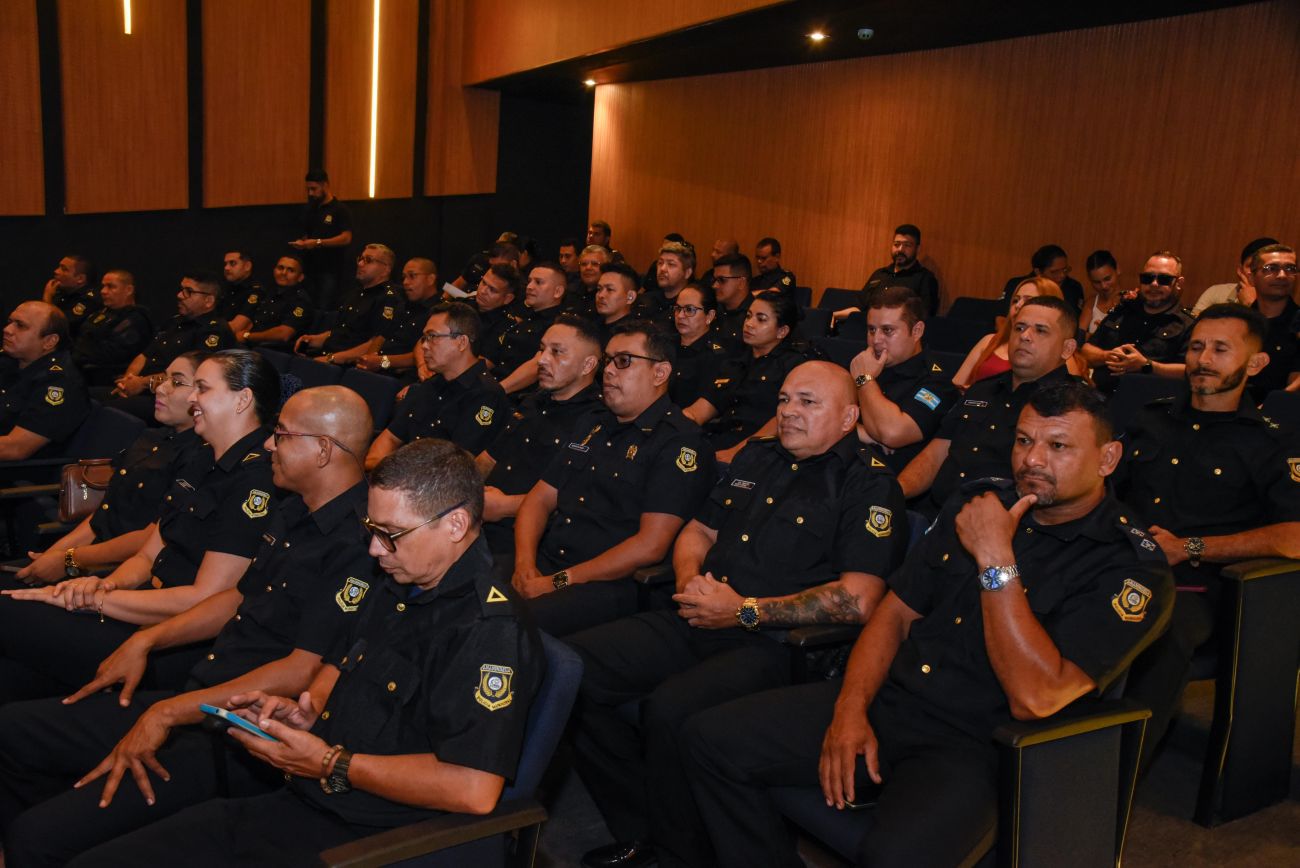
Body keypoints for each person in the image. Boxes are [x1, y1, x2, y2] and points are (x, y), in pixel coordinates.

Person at [682, 383, 1175, 868]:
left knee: (894, 856)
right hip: (893, 699)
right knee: (709, 741)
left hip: (977, 743)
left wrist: (995, 557)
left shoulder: (1131, 567)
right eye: (1024, 440)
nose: (1032, 460)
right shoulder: (978, 503)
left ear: (1108, 459)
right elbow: (894, 614)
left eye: (1059, 446)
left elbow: (1035, 696)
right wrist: (850, 710)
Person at [58, 439, 542, 868]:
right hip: (309, 797)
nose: (375, 550)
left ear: (455, 524)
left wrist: (333, 761)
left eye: (391, 534)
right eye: (371, 529)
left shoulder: (488, 630)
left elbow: (473, 789)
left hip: (371, 837)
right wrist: (308, 711)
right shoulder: (400, 581)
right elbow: (342, 665)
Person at [0, 387, 377, 866]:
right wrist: (148, 639)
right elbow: (236, 599)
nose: (269, 444)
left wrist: (170, 712)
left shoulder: (358, 543)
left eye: (282, 435)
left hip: (237, 736)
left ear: (323, 449)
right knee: (13, 733)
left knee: (39, 838)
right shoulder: (293, 510)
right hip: (201, 692)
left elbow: (303, 669)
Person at [570, 361, 908, 868]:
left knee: (670, 709)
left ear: (847, 418)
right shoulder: (758, 456)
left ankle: (681, 855)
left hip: (776, 644)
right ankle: (643, 827)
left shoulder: (868, 485)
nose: (789, 411)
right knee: (572, 670)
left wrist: (743, 612)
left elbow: (857, 600)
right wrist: (690, 582)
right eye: (784, 399)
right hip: (701, 612)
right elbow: (697, 531)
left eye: (808, 402)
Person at [0, 350, 278, 702]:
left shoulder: (255, 480)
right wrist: (105, 583)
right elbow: (149, 555)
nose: (192, 397)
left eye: (203, 388)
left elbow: (204, 598)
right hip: (139, 604)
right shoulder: (203, 457)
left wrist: (99, 599)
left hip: (173, 642)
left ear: (242, 400)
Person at [1115, 304, 1300, 766]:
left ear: (1255, 364)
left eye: (1220, 349)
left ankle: (1110, 779)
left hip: (1196, 586)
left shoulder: (1272, 442)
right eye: (1197, 347)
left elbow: (1295, 536)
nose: (1203, 359)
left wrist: (1190, 548)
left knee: (1158, 634)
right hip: (1116, 561)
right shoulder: (1151, 417)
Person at [510, 321, 714, 636]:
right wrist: (524, 564)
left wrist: (557, 581)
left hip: (610, 584)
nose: (607, 371)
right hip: (549, 562)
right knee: (461, 582)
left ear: (660, 373)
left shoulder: (679, 442)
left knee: (508, 623)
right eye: (608, 360)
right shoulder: (592, 423)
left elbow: (650, 546)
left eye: (623, 361)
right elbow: (539, 499)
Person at [16, 352, 207, 585]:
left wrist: (69, 559)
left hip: (127, 574)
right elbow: (103, 514)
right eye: (162, 379)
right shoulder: (151, 437)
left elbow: (150, 540)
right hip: (91, 558)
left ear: (203, 395)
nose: (160, 388)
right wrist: (53, 554)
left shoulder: (200, 456)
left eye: (176, 382)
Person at [900, 296, 1080, 518]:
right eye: (1019, 328)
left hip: (1006, 524)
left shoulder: (1072, 407)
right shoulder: (982, 389)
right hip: (936, 513)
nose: (1025, 336)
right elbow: (937, 453)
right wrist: (896, 492)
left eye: (1040, 330)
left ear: (1067, 348)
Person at [479, 315, 604, 556]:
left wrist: (505, 506)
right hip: (480, 520)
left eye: (557, 352)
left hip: (530, 541)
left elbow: (577, 501)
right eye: (542, 349)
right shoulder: (534, 401)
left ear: (588, 365)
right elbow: (490, 457)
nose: (542, 360)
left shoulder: (597, 422)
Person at [365, 302, 508, 470]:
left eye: (432, 337)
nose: (424, 346)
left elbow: (456, 468)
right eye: (424, 338)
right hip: (400, 475)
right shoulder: (429, 385)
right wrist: (381, 468)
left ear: (461, 342)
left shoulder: (486, 396)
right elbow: (389, 438)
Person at [684, 290, 809, 459]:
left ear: (782, 331)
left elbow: (782, 420)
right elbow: (700, 410)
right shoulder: (736, 360)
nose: (749, 324)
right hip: (721, 439)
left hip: (761, 450)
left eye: (761, 319)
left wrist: (735, 453)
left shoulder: (793, 366)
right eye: (748, 316)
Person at [849, 286, 960, 474]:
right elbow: (823, 420)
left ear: (917, 331)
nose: (876, 340)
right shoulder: (864, 363)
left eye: (887, 330)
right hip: (844, 467)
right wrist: (865, 433)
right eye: (871, 330)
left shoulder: (937, 383)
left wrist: (864, 380)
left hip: (887, 479)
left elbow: (891, 433)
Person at [109, 271, 235, 421]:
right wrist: (127, 381)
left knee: (108, 410)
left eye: (188, 291)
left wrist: (142, 384)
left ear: (208, 300)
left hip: (172, 400)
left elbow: (191, 376)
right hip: (142, 389)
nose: (180, 295)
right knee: (92, 398)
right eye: (181, 289)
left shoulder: (213, 330)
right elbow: (144, 355)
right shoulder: (174, 322)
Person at [1082, 250, 1195, 393]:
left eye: (1164, 279)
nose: (1154, 284)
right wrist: (1108, 356)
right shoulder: (1124, 310)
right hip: (1101, 398)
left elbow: (1191, 371)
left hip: (1149, 402)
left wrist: (1147, 366)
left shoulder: (1187, 324)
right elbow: (1086, 351)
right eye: (1147, 278)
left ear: (1178, 283)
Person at [952, 277, 1085, 388]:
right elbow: (957, 386)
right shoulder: (989, 341)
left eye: (1029, 300)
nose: (1018, 305)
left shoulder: (1062, 356)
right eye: (1016, 300)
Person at [0, 302, 91, 461]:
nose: (7, 330)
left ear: (49, 341)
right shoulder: (12, 361)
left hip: (17, 470)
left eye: (20, 325)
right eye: (10, 322)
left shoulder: (59, 383)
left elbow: (15, 448)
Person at [294, 244, 405, 367]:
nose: (360, 264)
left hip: (350, 365)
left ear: (386, 269)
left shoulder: (389, 298)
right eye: (360, 259)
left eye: (368, 260)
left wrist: (331, 358)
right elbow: (340, 332)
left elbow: (375, 344)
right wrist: (313, 339)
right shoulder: (356, 293)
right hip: (328, 357)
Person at [831, 224, 940, 327]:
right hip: (865, 329)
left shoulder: (925, 278)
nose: (900, 249)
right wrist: (834, 315)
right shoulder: (880, 274)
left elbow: (924, 317)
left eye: (907, 245)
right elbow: (859, 308)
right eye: (896, 244)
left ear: (918, 249)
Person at [355, 257, 440, 377]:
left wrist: (382, 362)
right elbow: (382, 336)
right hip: (377, 369)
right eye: (404, 277)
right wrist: (367, 360)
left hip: (401, 376)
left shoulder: (438, 313)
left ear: (430, 279)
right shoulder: (402, 305)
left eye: (412, 276)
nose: (405, 282)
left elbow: (422, 354)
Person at [495, 261, 571, 392]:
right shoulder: (527, 316)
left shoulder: (560, 326)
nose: (529, 287)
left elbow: (536, 366)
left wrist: (496, 390)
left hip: (514, 394)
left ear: (557, 291)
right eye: (529, 281)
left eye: (538, 282)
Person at [71, 269, 155, 386]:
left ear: (129, 290)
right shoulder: (101, 313)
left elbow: (112, 354)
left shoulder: (135, 320)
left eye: (111, 287)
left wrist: (81, 350)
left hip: (106, 379)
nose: (103, 291)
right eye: (103, 286)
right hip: (82, 371)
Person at [290, 169, 354, 310]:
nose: (310, 193)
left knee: (324, 307)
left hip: (330, 269)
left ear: (325, 185)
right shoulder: (310, 210)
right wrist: (303, 243)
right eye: (308, 189)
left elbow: (346, 238)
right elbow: (307, 235)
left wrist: (318, 242)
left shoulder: (340, 209)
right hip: (309, 268)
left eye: (314, 189)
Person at [1243, 244, 1299, 399]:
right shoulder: (1237, 321)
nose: (1282, 275)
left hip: (1282, 407)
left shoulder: (1297, 323)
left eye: (1290, 268)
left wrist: (1269, 407)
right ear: (1251, 278)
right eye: (1271, 268)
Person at [237, 254, 316, 351]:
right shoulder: (267, 293)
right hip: (250, 346)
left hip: (275, 351)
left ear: (300, 277)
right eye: (280, 268)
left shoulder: (301, 301)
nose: (283, 273)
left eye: (291, 270)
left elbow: (284, 334)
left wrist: (247, 336)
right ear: (274, 270)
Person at [669, 284, 727, 408]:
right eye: (678, 308)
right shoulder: (664, 344)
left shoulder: (715, 355)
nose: (680, 316)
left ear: (709, 316)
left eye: (689, 310)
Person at [1190, 236, 1279, 316]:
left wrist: (1252, 304)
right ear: (1240, 270)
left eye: (1268, 267)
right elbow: (1194, 325)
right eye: (1252, 266)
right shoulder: (1216, 292)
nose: (1256, 272)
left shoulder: (1282, 304)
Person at [1000, 244, 1085, 314]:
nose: (1062, 275)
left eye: (1065, 270)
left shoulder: (1074, 287)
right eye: (1054, 272)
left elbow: (1074, 320)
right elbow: (1001, 317)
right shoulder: (1017, 284)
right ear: (1038, 272)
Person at [41, 254, 99, 338]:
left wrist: (47, 298)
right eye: (59, 267)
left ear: (80, 279)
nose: (56, 271)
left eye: (64, 269)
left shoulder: (88, 300)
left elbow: (58, 326)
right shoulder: (62, 293)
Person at [638, 241, 696, 325]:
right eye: (660, 263)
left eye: (671, 264)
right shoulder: (645, 300)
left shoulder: (691, 309)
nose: (662, 268)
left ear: (687, 273)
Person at [711, 253, 756, 356]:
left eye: (721, 280)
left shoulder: (756, 316)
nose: (715, 285)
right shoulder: (712, 310)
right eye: (714, 280)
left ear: (741, 282)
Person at [474, 263, 522, 358]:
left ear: (507, 299)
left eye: (492, 290)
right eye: (483, 283)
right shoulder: (464, 303)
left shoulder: (507, 327)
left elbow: (482, 364)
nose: (483, 291)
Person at [593, 262, 642, 344]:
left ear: (630, 297)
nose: (601, 295)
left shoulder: (634, 335)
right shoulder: (591, 327)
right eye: (599, 289)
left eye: (610, 289)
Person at [1079, 250, 1126, 336]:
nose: (1103, 286)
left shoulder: (1131, 300)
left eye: (1107, 279)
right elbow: (1079, 336)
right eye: (1097, 282)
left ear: (1118, 269)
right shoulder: (1091, 304)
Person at [218, 250, 262, 337]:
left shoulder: (255, 291)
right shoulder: (224, 287)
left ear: (247, 266)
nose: (226, 268)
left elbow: (237, 326)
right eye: (225, 264)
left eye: (232, 263)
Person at [566, 244, 611, 320]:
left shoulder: (610, 296)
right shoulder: (570, 292)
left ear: (607, 267)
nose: (588, 268)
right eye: (584, 264)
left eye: (595, 264)